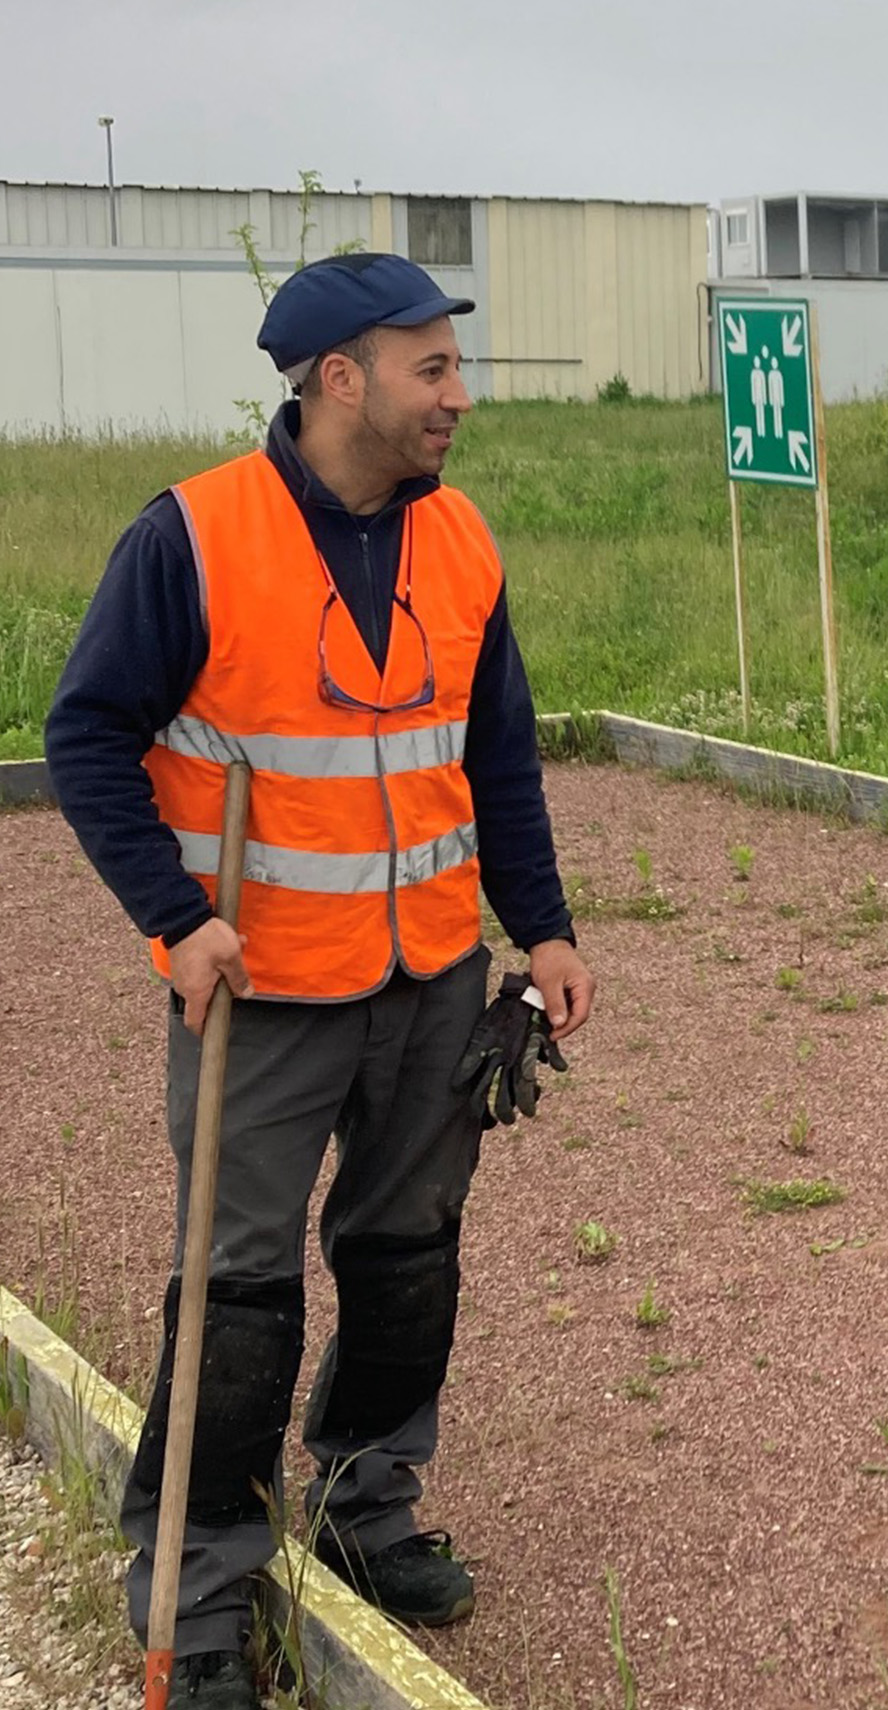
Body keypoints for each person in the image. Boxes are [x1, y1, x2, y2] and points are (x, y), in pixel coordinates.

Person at [44, 253, 595, 1709]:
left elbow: (500, 749)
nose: (457, 398)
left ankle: (365, 1504)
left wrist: (542, 927)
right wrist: (174, 918)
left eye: (455, 370)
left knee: (409, 1261)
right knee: (237, 1302)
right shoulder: (192, 539)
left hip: (429, 985)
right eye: (433, 368)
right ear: (337, 376)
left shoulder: (461, 542)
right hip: (265, 997)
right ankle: (202, 1595)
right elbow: (85, 734)